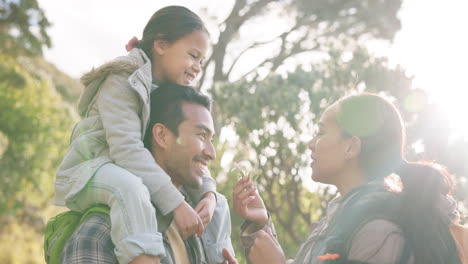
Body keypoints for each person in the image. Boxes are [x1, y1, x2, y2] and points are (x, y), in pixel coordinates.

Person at [54, 6, 220, 264]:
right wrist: (177, 205)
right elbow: (127, 150)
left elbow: (191, 151)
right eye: (192, 55)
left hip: (129, 171)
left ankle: (219, 257)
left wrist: (208, 194)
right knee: (131, 189)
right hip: (92, 170)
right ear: (162, 44)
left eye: (201, 61)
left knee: (217, 202)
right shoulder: (122, 79)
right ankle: (144, 258)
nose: (197, 67)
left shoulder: (167, 93)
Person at [231, 93, 461, 264]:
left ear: (351, 147)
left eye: (320, 132)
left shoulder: (379, 228)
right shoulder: (346, 217)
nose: (310, 143)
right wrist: (260, 224)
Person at [58, 84, 236, 264]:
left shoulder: (196, 223)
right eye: (201, 135)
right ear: (161, 136)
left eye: (211, 139)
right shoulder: (99, 233)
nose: (211, 153)